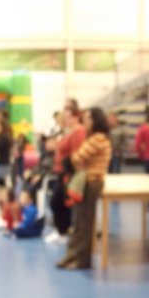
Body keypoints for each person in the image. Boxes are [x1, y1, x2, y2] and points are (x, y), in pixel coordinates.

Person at [56, 107, 112, 270]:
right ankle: (72, 254)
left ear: (95, 121)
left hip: (92, 182)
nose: (84, 122)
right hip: (88, 181)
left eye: (87, 119)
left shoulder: (98, 139)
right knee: (79, 222)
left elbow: (77, 158)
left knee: (85, 222)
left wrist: (74, 158)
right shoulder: (94, 138)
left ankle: (82, 260)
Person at [47, 99, 86, 243]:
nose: (65, 118)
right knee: (61, 202)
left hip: (68, 172)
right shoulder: (69, 131)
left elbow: (76, 154)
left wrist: (70, 172)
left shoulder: (78, 131)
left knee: (57, 201)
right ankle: (63, 230)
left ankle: (63, 231)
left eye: (68, 115)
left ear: (75, 115)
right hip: (61, 170)